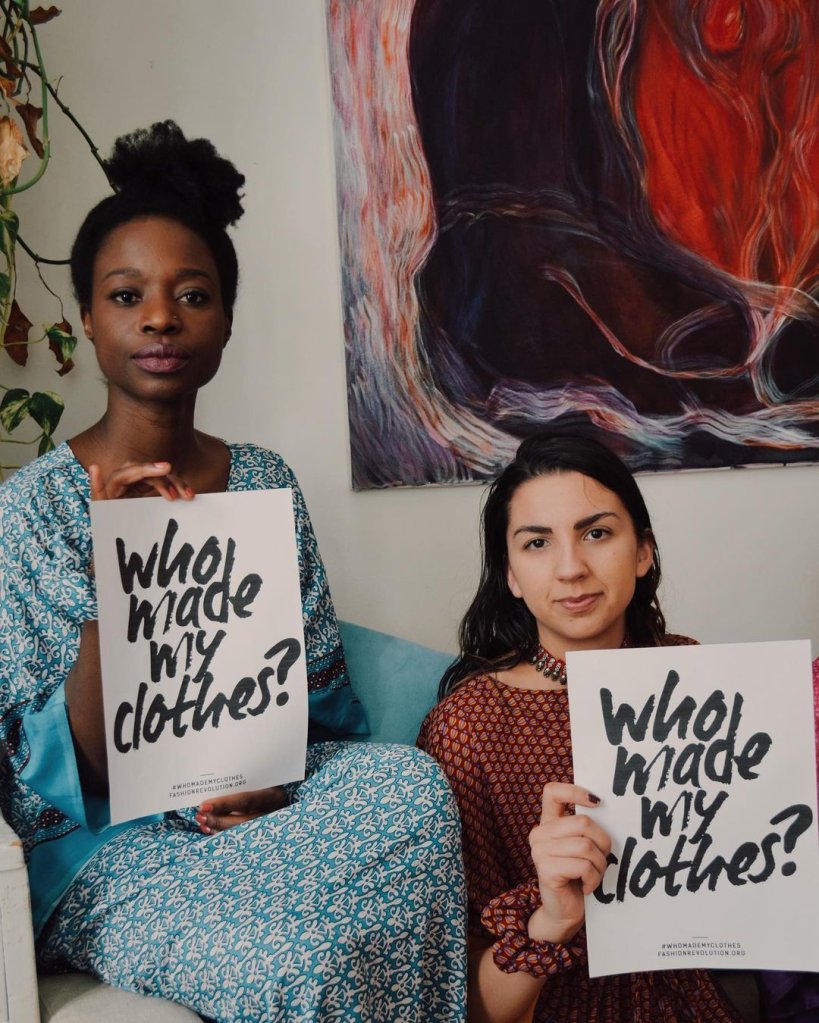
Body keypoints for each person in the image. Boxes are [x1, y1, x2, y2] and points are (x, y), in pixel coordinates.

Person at [0, 121, 466, 1023]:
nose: (160, 317)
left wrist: (274, 782)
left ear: (223, 322)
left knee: (408, 784)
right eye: (126, 294)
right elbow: (55, 788)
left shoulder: (263, 480)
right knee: (300, 960)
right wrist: (120, 567)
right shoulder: (33, 510)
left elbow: (312, 697)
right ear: (88, 320)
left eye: (192, 294)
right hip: (116, 846)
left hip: (258, 806)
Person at [418, 431, 746, 1023]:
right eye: (537, 542)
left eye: (597, 533)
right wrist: (554, 918)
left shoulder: (694, 670)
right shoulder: (465, 729)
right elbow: (474, 1010)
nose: (571, 569)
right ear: (511, 574)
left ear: (643, 552)